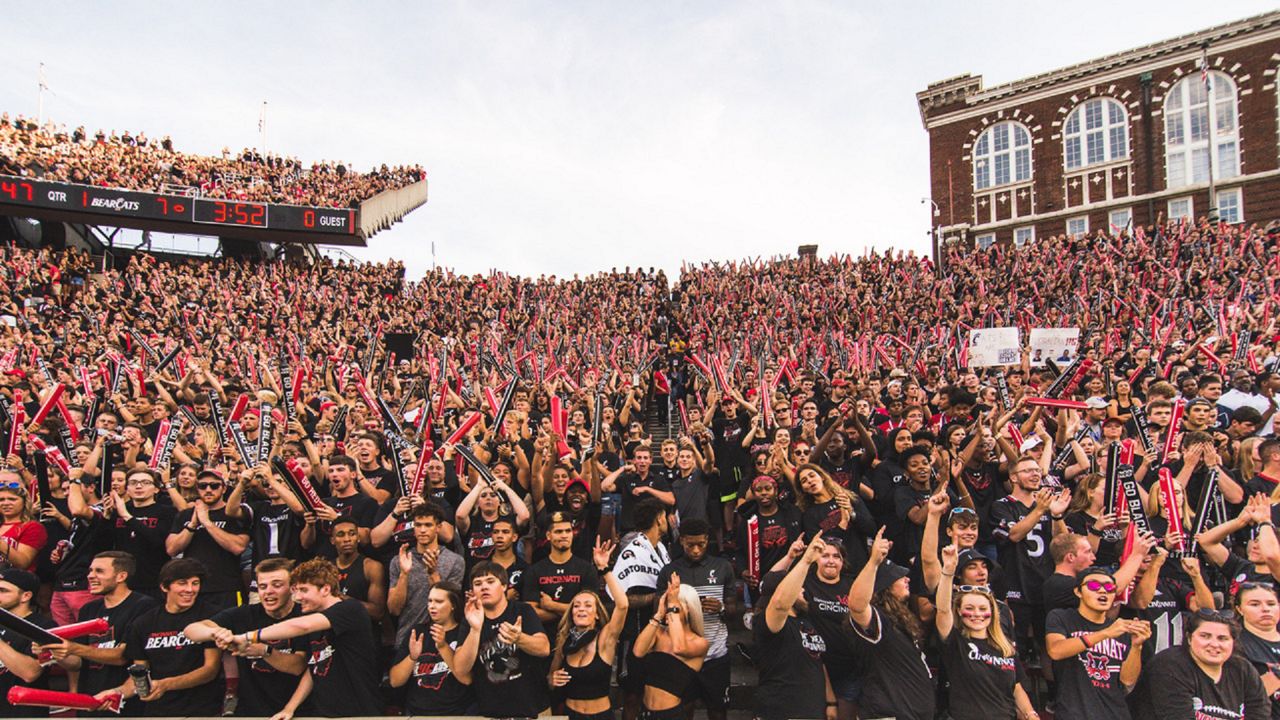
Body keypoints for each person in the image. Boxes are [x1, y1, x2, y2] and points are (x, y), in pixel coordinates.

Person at [218, 558, 382, 718]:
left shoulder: (350, 609)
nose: (297, 597)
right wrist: (289, 708)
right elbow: (312, 670)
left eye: (303, 590)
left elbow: (300, 626)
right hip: (325, 713)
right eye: (295, 590)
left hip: (360, 712)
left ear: (325, 589)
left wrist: (247, 636)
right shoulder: (317, 622)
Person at [183, 558, 307, 717]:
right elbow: (191, 630)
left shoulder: (304, 616)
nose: (268, 591)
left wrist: (263, 651)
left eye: (276, 585)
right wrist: (216, 633)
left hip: (300, 711)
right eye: (262, 586)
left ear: (292, 588)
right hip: (251, 711)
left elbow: (297, 666)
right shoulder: (243, 614)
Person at [40, 551, 158, 717]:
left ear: (121, 576)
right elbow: (76, 664)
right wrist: (56, 651)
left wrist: (73, 647)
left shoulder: (143, 606)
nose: (90, 576)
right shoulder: (89, 609)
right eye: (90, 571)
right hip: (90, 702)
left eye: (99, 571)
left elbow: (122, 656)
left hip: (125, 704)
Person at [101, 558, 224, 717]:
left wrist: (166, 685)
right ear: (164, 586)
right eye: (182, 583)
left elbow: (210, 670)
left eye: (195, 583)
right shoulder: (143, 623)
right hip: (157, 711)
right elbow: (140, 675)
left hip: (200, 711)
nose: (190, 589)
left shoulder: (211, 616)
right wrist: (117, 692)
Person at [935, 544, 1036, 720]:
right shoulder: (956, 642)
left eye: (983, 608)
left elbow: (1016, 687)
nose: (977, 614)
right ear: (958, 611)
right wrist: (948, 572)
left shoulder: (1005, 647)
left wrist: (1030, 714)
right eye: (969, 608)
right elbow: (943, 610)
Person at [847, 528, 936, 720]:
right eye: (899, 575)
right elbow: (856, 605)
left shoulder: (902, 621)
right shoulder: (879, 618)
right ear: (884, 584)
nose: (907, 578)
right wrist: (873, 562)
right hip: (887, 714)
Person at [1045, 566, 1152, 720]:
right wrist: (1105, 633)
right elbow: (1056, 650)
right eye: (1094, 586)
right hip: (1074, 713)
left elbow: (1127, 681)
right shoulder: (1061, 617)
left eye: (1109, 587)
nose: (1103, 591)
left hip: (1116, 714)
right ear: (1078, 592)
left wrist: (1136, 646)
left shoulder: (1120, 629)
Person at [655, 518, 734, 720]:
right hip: (682, 655)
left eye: (701, 544)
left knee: (717, 711)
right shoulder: (669, 571)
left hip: (715, 654)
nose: (696, 550)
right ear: (681, 541)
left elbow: (734, 608)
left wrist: (722, 607)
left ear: (708, 540)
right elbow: (659, 611)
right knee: (684, 709)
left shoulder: (723, 566)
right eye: (691, 545)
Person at [452, 561, 552, 718]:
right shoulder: (470, 620)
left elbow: (544, 648)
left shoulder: (522, 610)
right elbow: (460, 669)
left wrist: (519, 638)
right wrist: (475, 629)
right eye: (477, 584)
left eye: (490, 581)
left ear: (504, 586)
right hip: (491, 712)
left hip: (533, 709)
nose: (484, 587)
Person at [1135, 610, 1270, 719]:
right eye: (1205, 636)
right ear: (1189, 638)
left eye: (1223, 638)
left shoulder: (1243, 669)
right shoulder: (1169, 665)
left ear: (1233, 643)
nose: (1214, 644)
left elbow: (1260, 713)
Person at [549, 538, 627, 720]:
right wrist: (552, 680)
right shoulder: (564, 641)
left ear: (597, 614)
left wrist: (604, 569)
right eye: (576, 606)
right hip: (570, 714)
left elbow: (622, 605)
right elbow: (551, 679)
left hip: (600, 716)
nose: (581, 609)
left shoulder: (605, 639)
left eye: (588, 605)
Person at [753, 533, 829, 720]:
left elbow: (818, 664)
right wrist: (805, 561)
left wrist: (790, 557)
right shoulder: (768, 622)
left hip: (812, 710)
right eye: (798, 586)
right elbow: (779, 601)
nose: (802, 589)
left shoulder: (805, 621)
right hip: (783, 710)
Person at [164, 469, 250, 610]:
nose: (208, 490)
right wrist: (192, 525)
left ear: (224, 488)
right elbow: (172, 549)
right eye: (203, 486)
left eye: (214, 486)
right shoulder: (186, 515)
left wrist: (207, 523)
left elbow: (238, 547)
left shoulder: (234, 514)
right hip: (193, 589)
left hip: (226, 587)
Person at [389, 581, 474, 716]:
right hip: (416, 713)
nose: (432, 606)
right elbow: (395, 681)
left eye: (439, 602)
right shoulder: (417, 631)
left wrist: (443, 646)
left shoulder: (464, 632)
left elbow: (466, 678)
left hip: (456, 713)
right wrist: (412, 657)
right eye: (429, 601)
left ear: (453, 605)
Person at [632, 571, 708, 720]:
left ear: (688, 609)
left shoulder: (699, 642)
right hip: (645, 713)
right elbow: (638, 651)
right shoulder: (659, 633)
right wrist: (658, 615)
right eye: (667, 604)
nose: (669, 608)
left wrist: (673, 603)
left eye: (673, 606)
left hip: (670, 715)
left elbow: (679, 648)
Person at [388, 502, 465, 647]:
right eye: (418, 525)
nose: (422, 530)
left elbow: (453, 606)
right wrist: (404, 574)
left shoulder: (455, 561)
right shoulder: (399, 561)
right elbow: (394, 609)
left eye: (428, 525)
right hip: (407, 637)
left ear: (438, 527)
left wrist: (433, 574)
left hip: (442, 639)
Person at [526, 511, 602, 628]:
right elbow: (531, 613)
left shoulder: (587, 569)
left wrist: (552, 606)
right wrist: (572, 612)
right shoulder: (535, 571)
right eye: (558, 532)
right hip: (546, 637)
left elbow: (591, 610)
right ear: (548, 535)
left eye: (568, 531)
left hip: (579, 637)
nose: (564, 535)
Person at [0, 569, 55, 717]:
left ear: (26, 596)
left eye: (3, 590)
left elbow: (30, 673)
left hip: (21, 712)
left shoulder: (43, 626)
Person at [1234, 582, 1280, 717]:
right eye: (1254, 604)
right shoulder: (1234, 645)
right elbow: (1235, 698)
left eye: (1271, 604)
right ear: (1239, 609)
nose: (1265, 609)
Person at [0, 470, 48, 571]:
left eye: (12, 499)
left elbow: (23, 562)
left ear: (24, 502)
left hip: (17, 580)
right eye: (1, 500)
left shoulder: (32, 527)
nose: (6, 503)